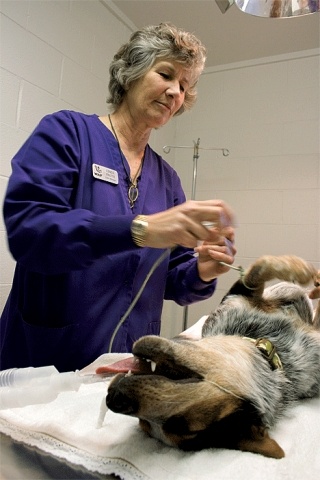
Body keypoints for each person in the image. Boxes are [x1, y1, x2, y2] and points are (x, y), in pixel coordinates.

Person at [0, 23, 236, 373]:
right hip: (47, 363)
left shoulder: (167, 179)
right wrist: (138, 229)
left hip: (126, 365)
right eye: (166, 74)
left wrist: (203, 270)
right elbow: (30, 232)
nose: (176, 92)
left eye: (184, 86)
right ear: (132, 72)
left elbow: (171, 276)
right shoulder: (67, 134)